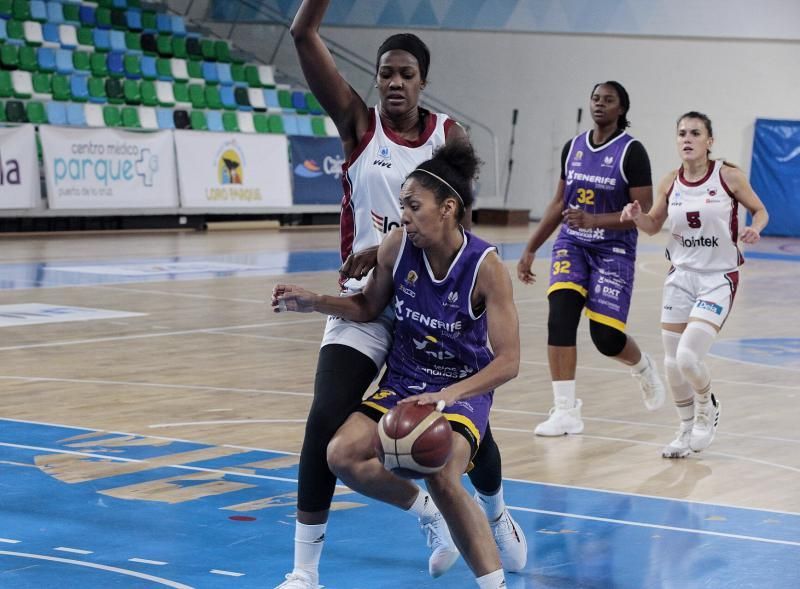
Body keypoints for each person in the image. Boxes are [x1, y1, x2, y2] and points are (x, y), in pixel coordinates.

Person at [279, 2, 526, 587]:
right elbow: (302, 33)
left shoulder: (448, 136)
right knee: (325, 423)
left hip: (428, 302)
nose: (393, 82)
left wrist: (399, 243)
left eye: (405, 74)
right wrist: (369, 261)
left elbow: (457, 215)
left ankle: (493, 510)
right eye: (385, 72)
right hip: (368, 303)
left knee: (465, 432)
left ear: (423, 82)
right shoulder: (359, 126)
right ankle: (305, 572)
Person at [516, 81, 666, 436]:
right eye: (595, 98)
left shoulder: (632, 152)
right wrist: (531, 247)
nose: (600, 105)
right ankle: (566, 411)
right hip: (572, 243)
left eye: (608, 100)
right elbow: (558, 203)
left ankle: (643, 367)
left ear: (621, 110)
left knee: (606, 338)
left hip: (613, 249)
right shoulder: (573, 148)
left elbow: (641, 211)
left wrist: (596, 220)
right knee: (561, 317)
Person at [621, 111, 768, 458]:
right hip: (681, 277)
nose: (687, 139)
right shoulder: (670, 182)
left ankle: (707, 407)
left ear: (709, 141)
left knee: (688, 357)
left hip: (718, 278)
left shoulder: (728, 176)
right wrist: (636, 217)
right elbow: (654, 224)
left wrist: (755, 229)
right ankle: (685, 428)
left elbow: (760, 211)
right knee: (672, 363)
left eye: (695, 133)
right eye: (681, 133)